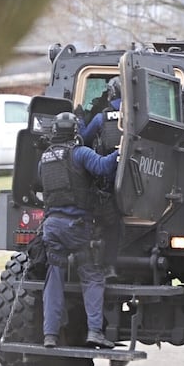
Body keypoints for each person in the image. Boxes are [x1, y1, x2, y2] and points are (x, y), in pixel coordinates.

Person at [38, 111, 119, 349]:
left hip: (51, 227)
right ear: (75, 132)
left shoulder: (44, 158)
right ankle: (95, 331)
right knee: (92, 275)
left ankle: (49, 335)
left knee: (54, 278)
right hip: (76, 227)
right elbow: (103, 167)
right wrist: (122, 150)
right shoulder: (80, 153)